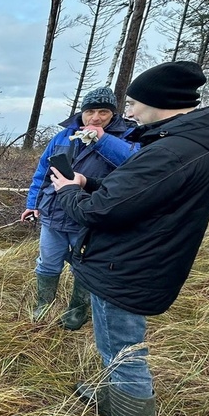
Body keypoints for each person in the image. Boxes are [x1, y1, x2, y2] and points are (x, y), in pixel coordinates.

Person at [50, 61, 209, 416]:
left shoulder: (174, 150)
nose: (130, 112)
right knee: (114, 346)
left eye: (135, 103)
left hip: (129, 266)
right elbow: (140, 194)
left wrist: (70, 191)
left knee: (124, 353)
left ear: (161, 103)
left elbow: (100, 211)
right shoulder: (184, 144)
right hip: (137, 260)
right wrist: (91, 182)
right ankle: (113, 400)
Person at [20, 86, 138, 327]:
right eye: (90, 111)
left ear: (113, 114)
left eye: (103, 112)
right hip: (53, 214)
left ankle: (77, 310)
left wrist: (101, 140)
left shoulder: (126, 137)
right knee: (47, 262)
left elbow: (133, 165)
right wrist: (32, 204)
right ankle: (44, 304)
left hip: (89, 219)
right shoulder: (63, 136)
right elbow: (43, 172)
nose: (95, 118)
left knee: (84, 267)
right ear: (82, 112)